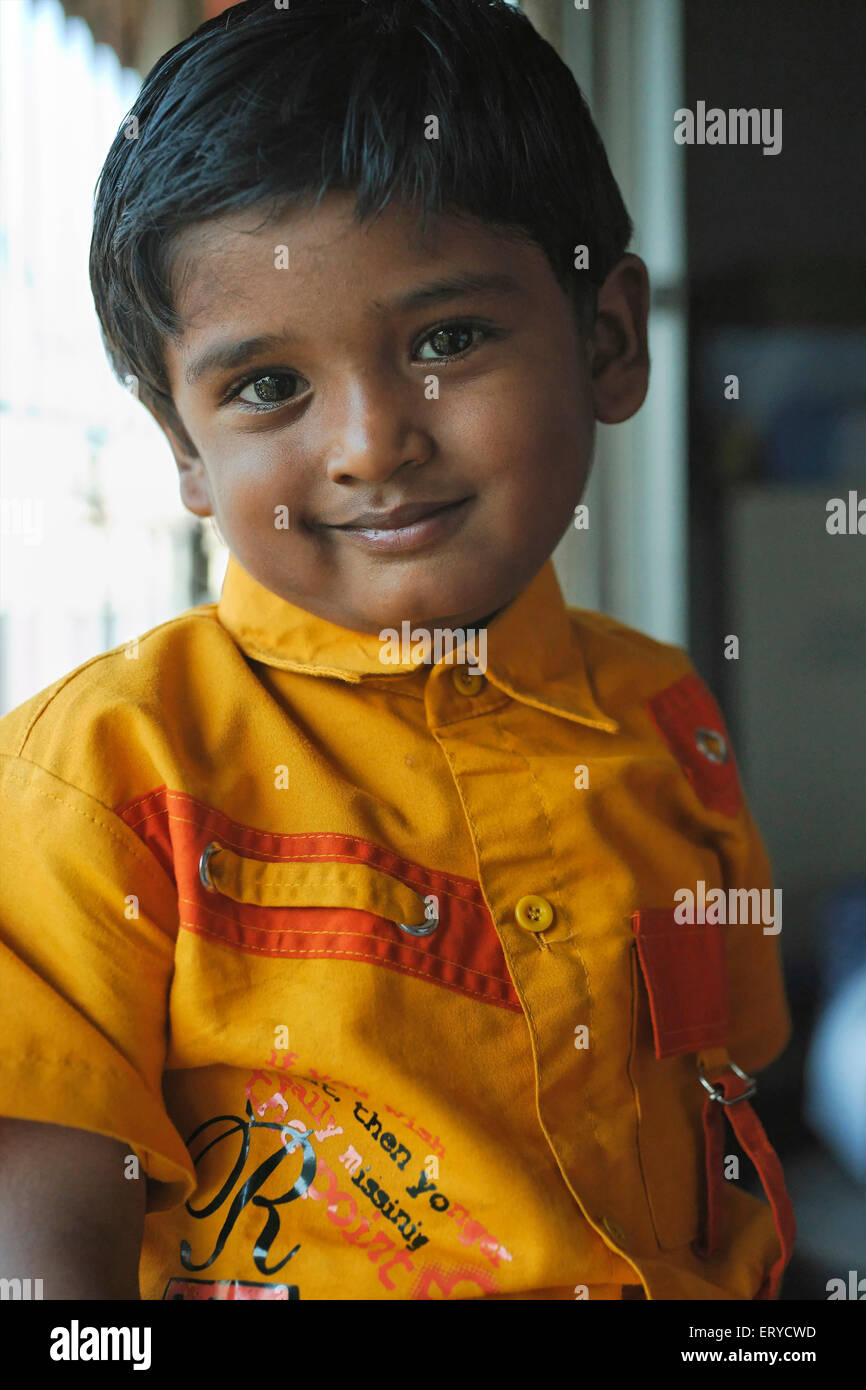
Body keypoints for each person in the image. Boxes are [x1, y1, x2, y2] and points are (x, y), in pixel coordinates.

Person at [0, 0, 793, 1300]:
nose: (371, 441)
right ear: (186, 454)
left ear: (605, 338)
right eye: (267, 385)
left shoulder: (663, 715)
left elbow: (723, 1099)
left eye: (446, 341)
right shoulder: (93, 776)